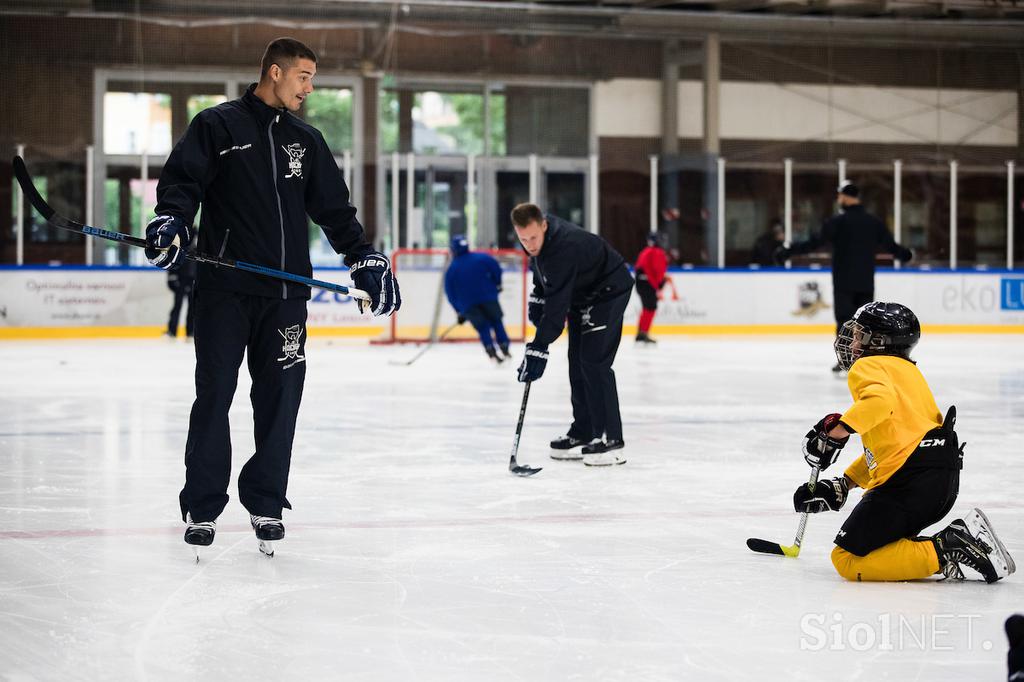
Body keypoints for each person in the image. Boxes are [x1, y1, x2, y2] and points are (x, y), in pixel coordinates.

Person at [144, 37, 400, 559]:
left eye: (312, 77)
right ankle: (202, 505)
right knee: (215, 395)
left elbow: (334, 211)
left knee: (280, 401)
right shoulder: (217, 126)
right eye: (303, 76)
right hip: (224, 290)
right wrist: (172, 218)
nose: (310, 87)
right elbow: (183, 184)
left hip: (285, 296)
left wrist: (363, 259)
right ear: (275, 73)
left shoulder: (306, 140)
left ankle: (265, 499)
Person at [792, 301, 1015, 583]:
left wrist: (836, 432)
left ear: (879, 341)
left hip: (909, 483)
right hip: (936, 481)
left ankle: (948, 547)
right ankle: (948, 547)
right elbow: (896, 444)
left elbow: (879, 403)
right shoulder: (908, 372)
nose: (853, 341)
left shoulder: (868, 365)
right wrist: (844, 483)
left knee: (848, 559)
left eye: (860, 334)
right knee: (884, 547)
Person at [511, 203, 634, 467]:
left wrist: (538, 347)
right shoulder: (541, 244)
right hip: (583, 295)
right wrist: (537, 295)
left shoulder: (564, 247)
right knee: (577, 362)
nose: (530, 245)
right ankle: (585, 431)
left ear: (543, 225)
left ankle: (611, 440)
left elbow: (556, 310)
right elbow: (543, 274)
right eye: (523, 240)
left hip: (608, 291)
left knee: (594, 363)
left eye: (533, 237)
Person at [775, 182, 912, 372]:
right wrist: (906, 254)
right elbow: (891, 247)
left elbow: (814, 242)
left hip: (844, 281)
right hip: (865, 281)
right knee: (866, 322)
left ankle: (846, 359)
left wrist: (788, 251)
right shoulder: (872, 222)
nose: (839, 199)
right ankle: (866, 358)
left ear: (846, 197)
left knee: (845, 322)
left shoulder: (837, 222)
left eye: (840, 196)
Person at [443, 235, 512, 364]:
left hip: (468, 305)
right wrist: (498, 284)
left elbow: (450, 293)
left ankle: (491, 351)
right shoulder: (482, 258)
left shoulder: (452, 269)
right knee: (496, 322)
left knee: (483, 327)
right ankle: (505, 347)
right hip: (489, 297)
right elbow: (496, 268)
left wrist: (459, 311)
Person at [634, 233, 668, 344]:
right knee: (650, 307)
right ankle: (643, 333)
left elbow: (640, 268)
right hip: (648, 283)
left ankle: (641, 332)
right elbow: (657, 269)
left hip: (641, 283)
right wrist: (658, 284)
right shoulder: (657, 252)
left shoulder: (646, 251)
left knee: (646, 307)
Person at [164, 236, 197, 339]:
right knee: (177, 305)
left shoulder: (196, 250)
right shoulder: (178, 249)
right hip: (181, 280)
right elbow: (172, 264)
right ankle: (172, 331)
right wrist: (172, 278)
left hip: (192, 280)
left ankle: (190, 332)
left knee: (191, 307)